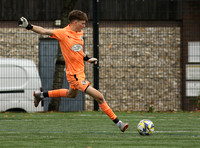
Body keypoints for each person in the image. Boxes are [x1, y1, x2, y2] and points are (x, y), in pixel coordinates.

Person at [18, 10, 128, 132]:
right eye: (82, 23)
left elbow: (78, 51)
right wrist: (29, 26)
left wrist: (87, 58)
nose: (84, 26)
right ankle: (119, 123)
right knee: (100, 97)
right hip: (75, 76)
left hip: (80, 72)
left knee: (71, 94)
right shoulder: (63, 33)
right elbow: (44, 31)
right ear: (75, 22)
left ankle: (41, 95)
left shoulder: (79, 33)